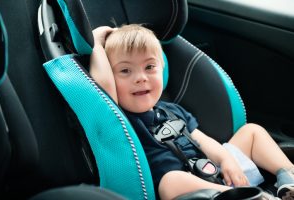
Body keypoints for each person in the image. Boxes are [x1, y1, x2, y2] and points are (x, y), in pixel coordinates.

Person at [89, 24, 294, 200]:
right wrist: (97, 45)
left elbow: (203, 141)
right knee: (171, 181)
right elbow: (102, 84)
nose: (141, 78)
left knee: (252, 132)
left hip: (212, 169)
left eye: (150, 67)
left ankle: (289, 178)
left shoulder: (173, 110)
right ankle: (241, 195)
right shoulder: (118, 116)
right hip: (189, 188)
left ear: (162, 69)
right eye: (125, 71)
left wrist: (226, 160)